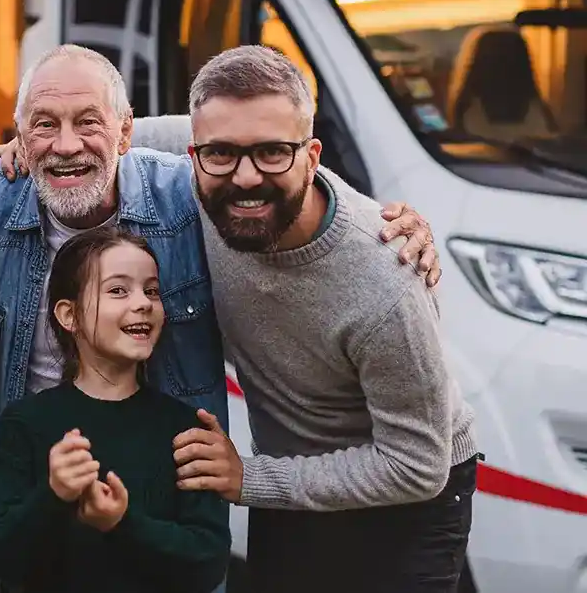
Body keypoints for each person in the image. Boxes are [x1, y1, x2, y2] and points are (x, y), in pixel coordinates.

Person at [0, 43, 442, 459]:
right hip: (29, 488)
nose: (66, 144)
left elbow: (269, 148)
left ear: (124, 133)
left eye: (87, 122)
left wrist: (369, 218)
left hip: (168, 491)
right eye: (44, 124)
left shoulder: (188, 195)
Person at [149, 45, 476, 593]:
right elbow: (107, 132)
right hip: (295, 475)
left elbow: (418, 465)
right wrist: (17, 152)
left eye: (273, 153)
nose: (246, 177)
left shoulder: (386, 282)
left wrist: (249, 478)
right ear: (195, 151)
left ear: (312, 155)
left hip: (411, 496)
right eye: (222, 153)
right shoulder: (207, 168)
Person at [0, 227, 230, 593]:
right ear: (69, 315)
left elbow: (208, 565)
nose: (143, 302)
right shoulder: (25, 423)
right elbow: (0, 555)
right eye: (118, 290)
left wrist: (121, 522)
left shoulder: (185, 430)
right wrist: (54, 494)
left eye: (152, 290)